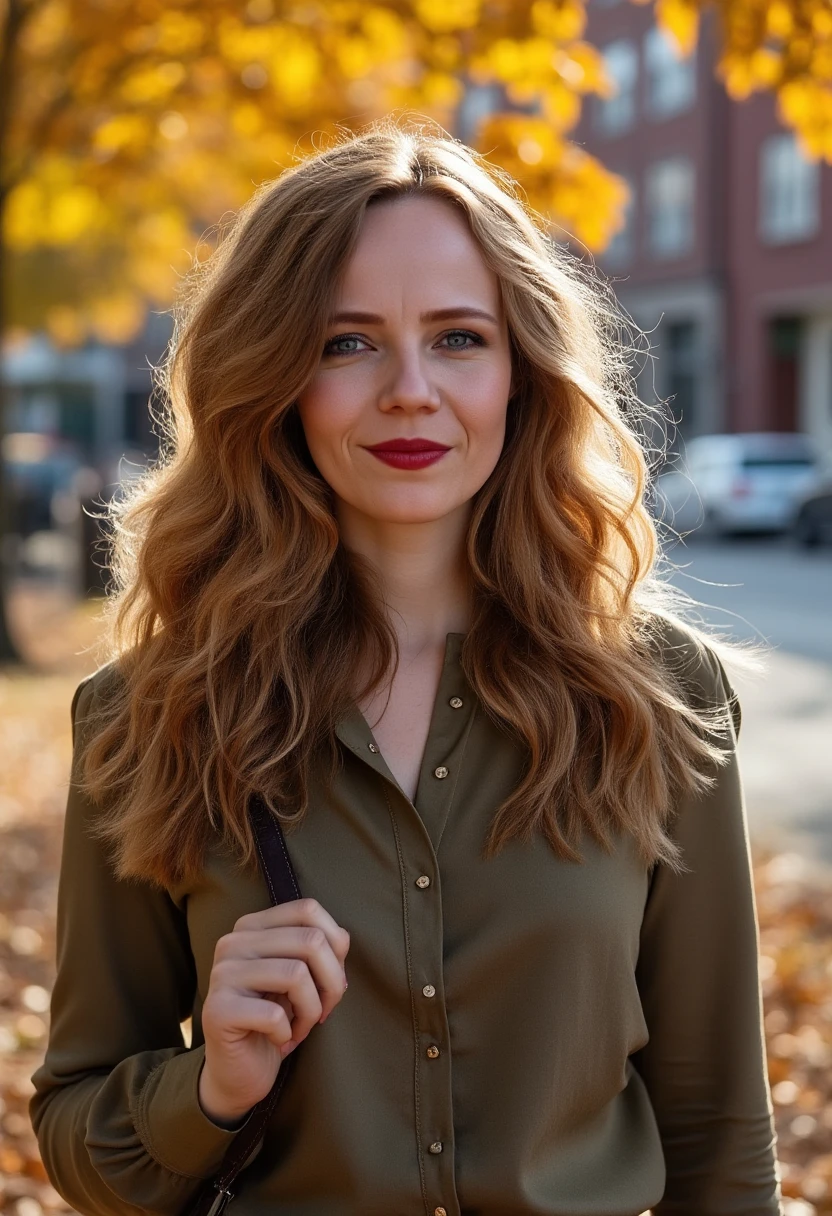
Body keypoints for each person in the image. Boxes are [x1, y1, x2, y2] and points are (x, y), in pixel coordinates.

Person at [30, 119, 783, 1216]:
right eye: (347, 343)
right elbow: (78, 1137)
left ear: (521, 372)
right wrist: (214, 1088)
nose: (410, 389)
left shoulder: (656, 694)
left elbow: (719, 1132)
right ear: (276, 379)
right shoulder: (148, 715)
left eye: (459, 337)